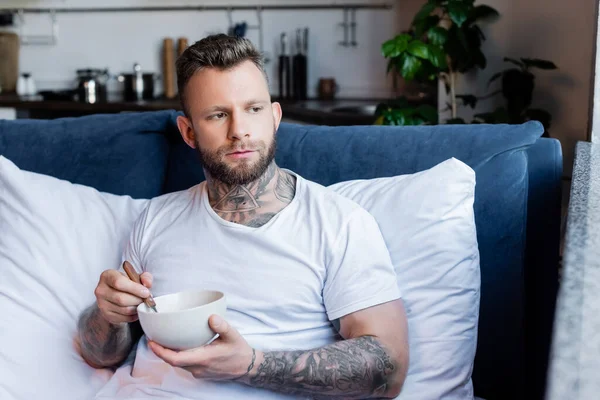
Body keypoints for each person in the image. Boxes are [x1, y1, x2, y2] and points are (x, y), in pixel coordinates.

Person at [78, 34, 409, 400]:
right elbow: (100, 356)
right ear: (188, 132)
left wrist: (250, 365)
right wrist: (107, 315)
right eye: (218, 115)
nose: (240, 131)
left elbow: (388, 368)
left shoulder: (338, 222)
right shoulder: (155, 218)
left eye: (253, 109)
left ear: (275, 116)